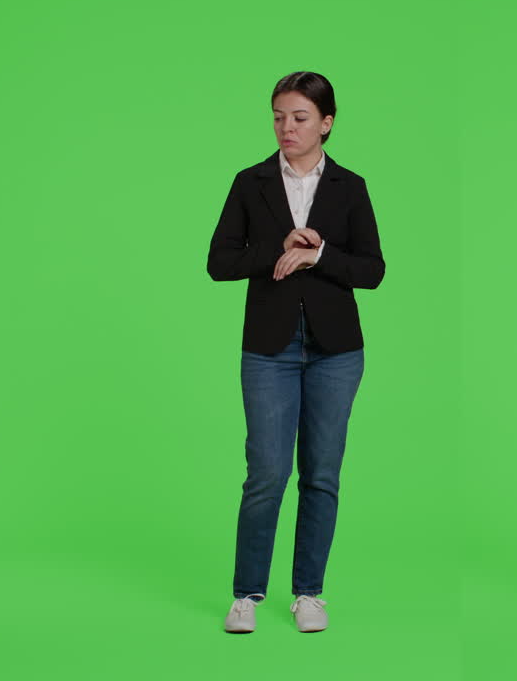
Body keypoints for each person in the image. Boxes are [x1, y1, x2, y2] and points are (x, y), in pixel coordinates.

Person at [208, 71, 384, 633]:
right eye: (279, 116)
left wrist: (319, 255)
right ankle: (247, 593)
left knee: (322, 474)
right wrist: (277, 248)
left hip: (336, 352)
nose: (287, 127)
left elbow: (373, 270)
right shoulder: (249, 182)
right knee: (266, 471)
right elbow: (219, 262)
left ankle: (309, 592)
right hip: (268, 349)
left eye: (300, 117)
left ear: (326, 123)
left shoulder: (350, 187)